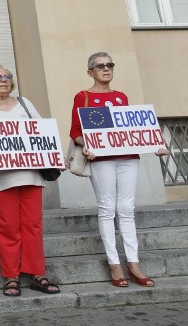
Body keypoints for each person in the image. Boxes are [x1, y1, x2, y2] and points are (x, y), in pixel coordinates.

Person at [69, 52, 168, 288]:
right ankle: (114, 264)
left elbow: (130, 127)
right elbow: (75, 131)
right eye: (100, 66)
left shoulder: (121, 97)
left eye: (110, 65)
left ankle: (133, 263)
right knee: (107, 208)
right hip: (102, 159)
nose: (106, 69)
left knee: (127, 208)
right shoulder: (83, 96)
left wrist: (155, 143)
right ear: (90, 72)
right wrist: (87, 145)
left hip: (128, 158)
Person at [0, 65, 60, 297]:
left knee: (33, 226)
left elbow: (43, 133)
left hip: (29, 175)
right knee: (6, 228)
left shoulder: (25, 105)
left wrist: (55, 155)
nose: (3, 80)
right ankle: (11, 276)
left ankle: (37, 273)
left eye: (7, 77)